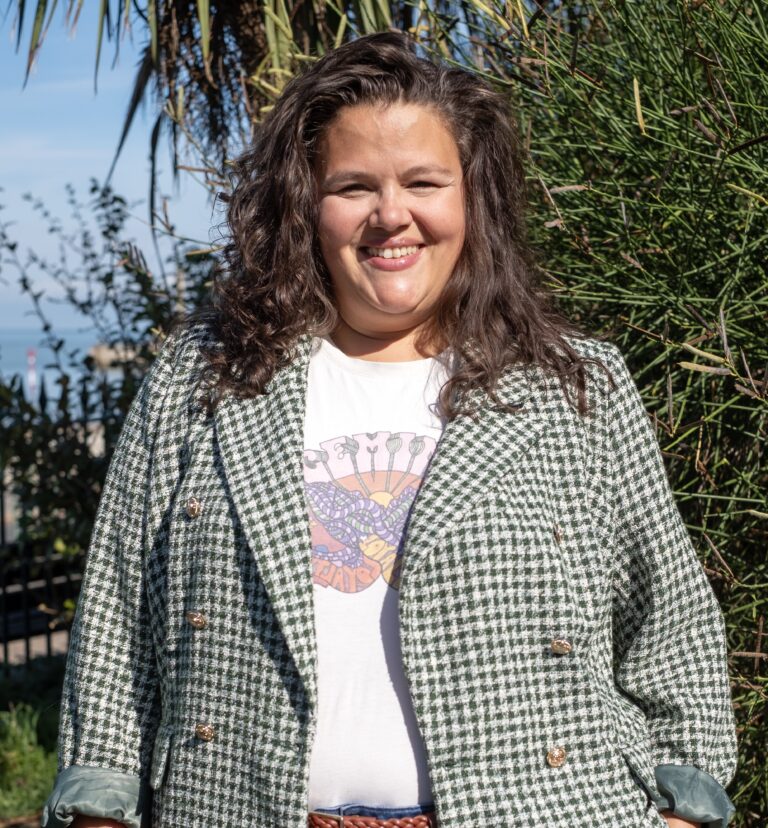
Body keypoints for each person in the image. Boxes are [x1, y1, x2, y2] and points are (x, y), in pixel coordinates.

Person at [42, 31, 738, 828]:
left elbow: (672, 618)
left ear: (472, 198)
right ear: (306, 203)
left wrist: (685, 805)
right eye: (353, 186)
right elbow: (116, 618)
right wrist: (99, 807)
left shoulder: (575, 384)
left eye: (423, 181)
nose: (391, 215)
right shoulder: (203, 379)